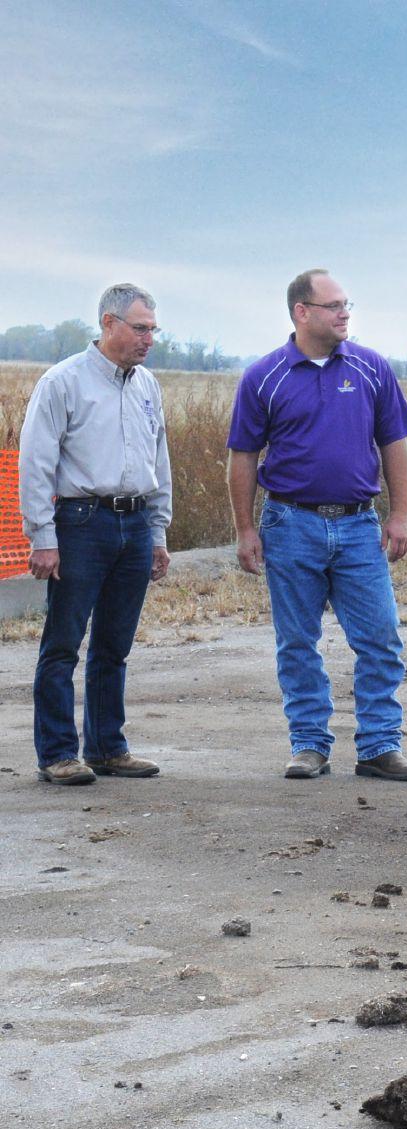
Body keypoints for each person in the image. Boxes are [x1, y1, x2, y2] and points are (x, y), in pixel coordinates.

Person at [226, 268, 407, 782]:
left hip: (359, 526)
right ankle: (309, 745)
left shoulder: (371, 368)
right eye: (333, 305)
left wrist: (400, 515)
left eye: (346, 305)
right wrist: (245, 529)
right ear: (301, 312)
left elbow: (394, 443)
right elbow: (243, 455)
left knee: (380, 637)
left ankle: (380, 746)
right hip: (290, 524)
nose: (344, 314)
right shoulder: (263, 377)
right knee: (297, 642)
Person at [18, 283, 171, 786]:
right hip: (82, 523)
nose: (149, 339)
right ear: (108, 323)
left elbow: (159, 461)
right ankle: (58, 753)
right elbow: (36, 462)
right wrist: (42, 535)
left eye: (153, 329)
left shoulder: (147, 386)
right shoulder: (64, 382)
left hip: (135, 523)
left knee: (114, 645)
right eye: (140, 328)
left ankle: (106, 748)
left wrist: (158, 531)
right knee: (63, 643)